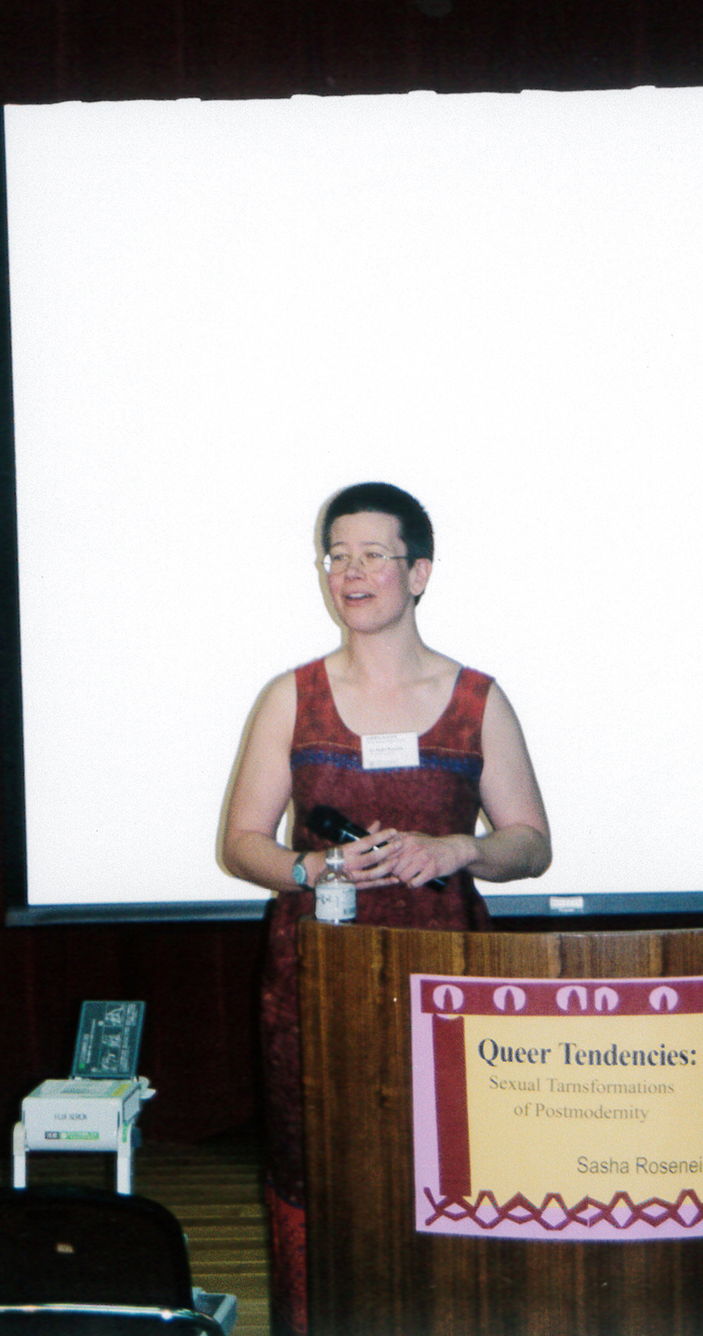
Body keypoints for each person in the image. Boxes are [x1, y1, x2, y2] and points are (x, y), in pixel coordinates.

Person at [222, 481, 551, 1336]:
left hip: (449, 988)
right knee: (316, 1179)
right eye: (337, 556)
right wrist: (311, 865)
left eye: (373, 555)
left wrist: (461, 850)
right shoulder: (291, 696)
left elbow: (530, 844)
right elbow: (243, 843)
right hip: (314, 988)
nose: (351, 572)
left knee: (450, 1173)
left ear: (420, 573)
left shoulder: (477, 699)